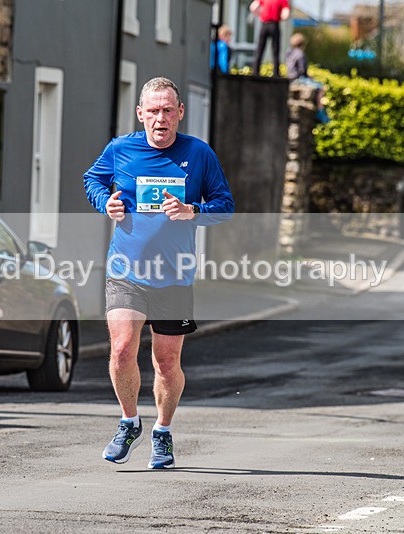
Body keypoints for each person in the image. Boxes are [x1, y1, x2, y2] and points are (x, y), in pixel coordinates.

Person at [83, 77, 234, 469]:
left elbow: (225, 205)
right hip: (126, 270)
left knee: (166, 363)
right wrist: (105, 203)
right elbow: (92, 179)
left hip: (174, 275)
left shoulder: (198, 154)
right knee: (122, 349)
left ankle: (162, 431)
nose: (160, 118)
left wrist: (193, 211)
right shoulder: (120, 149)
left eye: (168, 110)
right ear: (140, 114)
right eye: (153, 111)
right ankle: (129, 421)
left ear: (180, 112)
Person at [285, 32, 329, 124]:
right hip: (298, 79)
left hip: (290, 78)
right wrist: (310, 77)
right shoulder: (300, 54)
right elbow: (302, 71)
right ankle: (320, 111)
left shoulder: (289, 53)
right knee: (320, 87)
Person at [250, 0, 290, 77]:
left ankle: (255, 71)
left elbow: (252, 7)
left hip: (264, 25)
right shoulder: (282, 0)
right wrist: (280, 17)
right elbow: (286, 14)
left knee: (260, 49)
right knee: (276, 50)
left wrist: (260, 14)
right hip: (274, 25)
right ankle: (276, 73)